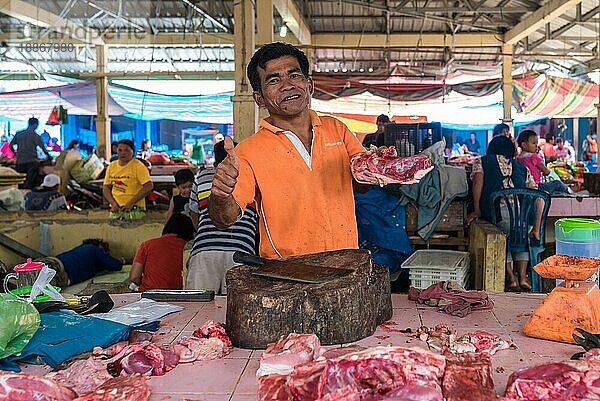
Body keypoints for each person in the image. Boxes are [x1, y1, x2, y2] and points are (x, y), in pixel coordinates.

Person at [208, 42, 366, 259]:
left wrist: (379, 168)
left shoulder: (336, 129)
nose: (287, 85)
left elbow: (362, 184)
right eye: (274, 80)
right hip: (286, 273)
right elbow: (224, 219)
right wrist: (220, 194)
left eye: (294, 75)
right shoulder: (248, 151)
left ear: (309, 85)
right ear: (259, 98)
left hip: (345, 264)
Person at [467, 136, 541, 291]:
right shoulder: (521, 167)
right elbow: (538, 198)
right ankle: (522, 277)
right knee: (521, 238)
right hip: (524, 219)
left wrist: (477, 210)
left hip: (499, 216)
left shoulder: (482, 161)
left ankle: (510, 277)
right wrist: (536, 228)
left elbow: (477, 184)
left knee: (502, 239)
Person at [186, 140, 259, 293]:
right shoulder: (252, 176)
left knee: (200, 307)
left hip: (204, 250)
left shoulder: (202, 176)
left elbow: (194, 213)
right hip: (241, 252)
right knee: (236, 310)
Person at [129, 214, 195, 291]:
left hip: (148, 295)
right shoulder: (189, 248)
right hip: (178, 296)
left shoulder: (147, 245)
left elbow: (134, 277)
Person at [102, 139, 153, 218]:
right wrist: (113, 203)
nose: (122, 153)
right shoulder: (111, 166)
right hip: (116, 209)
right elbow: (106, 187)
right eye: (120, 150)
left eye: (126, 150)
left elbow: (149, 186)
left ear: (132, 152)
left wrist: (131, 203)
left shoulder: (138, 166)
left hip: (135, 209)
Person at [516, 130, 569, 195]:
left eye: (536, 143)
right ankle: (570, 194)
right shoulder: (533, 156)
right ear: (524, 145)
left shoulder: (518, 158)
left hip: (523, 188)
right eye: (533, 143)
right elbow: (547, 171)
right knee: (557, 184)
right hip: (536, 187)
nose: (536, 146)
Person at [55, 239, 123, 286]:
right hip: (61, 274)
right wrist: (122, 261)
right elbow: (115, 265)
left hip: (53, 262)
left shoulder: (78, 251)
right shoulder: (95, 249)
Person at [9, 118, 52, 188]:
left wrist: (15, 154)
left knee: (20, 182)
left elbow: (10, 145)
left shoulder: (19, 134)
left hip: (20, 162)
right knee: (32, 183)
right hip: (32, 162)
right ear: (35, 125)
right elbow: (43, 149)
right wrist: (49, 156)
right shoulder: (36, 136)